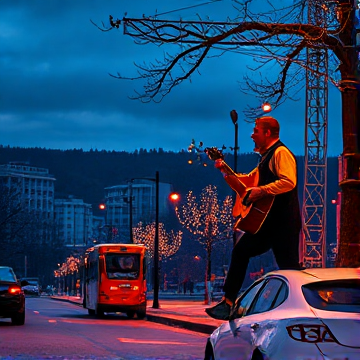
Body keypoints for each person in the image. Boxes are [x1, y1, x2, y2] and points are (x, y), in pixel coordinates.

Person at [205, 115, 302, 320]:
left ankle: (302, 308)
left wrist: (261, 191)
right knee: (241, 251)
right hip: (267, 222)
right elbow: (246, 184)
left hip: (283, 222)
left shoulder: (281, 153)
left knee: (290, 268)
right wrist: (225, 170)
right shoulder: (265, 158)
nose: (252, 134)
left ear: (268, 133)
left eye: (256, 130)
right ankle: (228, 302)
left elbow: (288, 182)